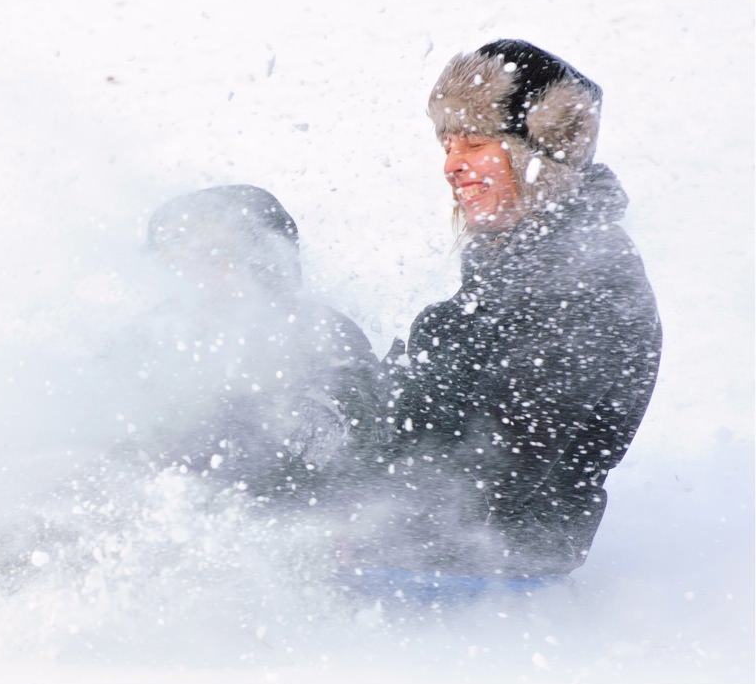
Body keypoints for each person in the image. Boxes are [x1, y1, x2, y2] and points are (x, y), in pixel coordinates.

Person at [340, 40, 662, 585]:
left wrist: (352, 529)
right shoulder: (509, 276)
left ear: (540, 154)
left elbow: (508, 461)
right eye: (446, 145)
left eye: (474, 142)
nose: (451, 166)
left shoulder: (587, 282)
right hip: (420, 551)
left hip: (472, 576)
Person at [107, 184, 383, 497]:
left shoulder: (320, 334)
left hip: (289, 519)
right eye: (174, 258)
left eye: (213, 256)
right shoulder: (140, 342)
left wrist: (196, 440)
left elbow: (330, 433)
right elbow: (88, 421)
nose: (190, 272)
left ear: (266, 262)